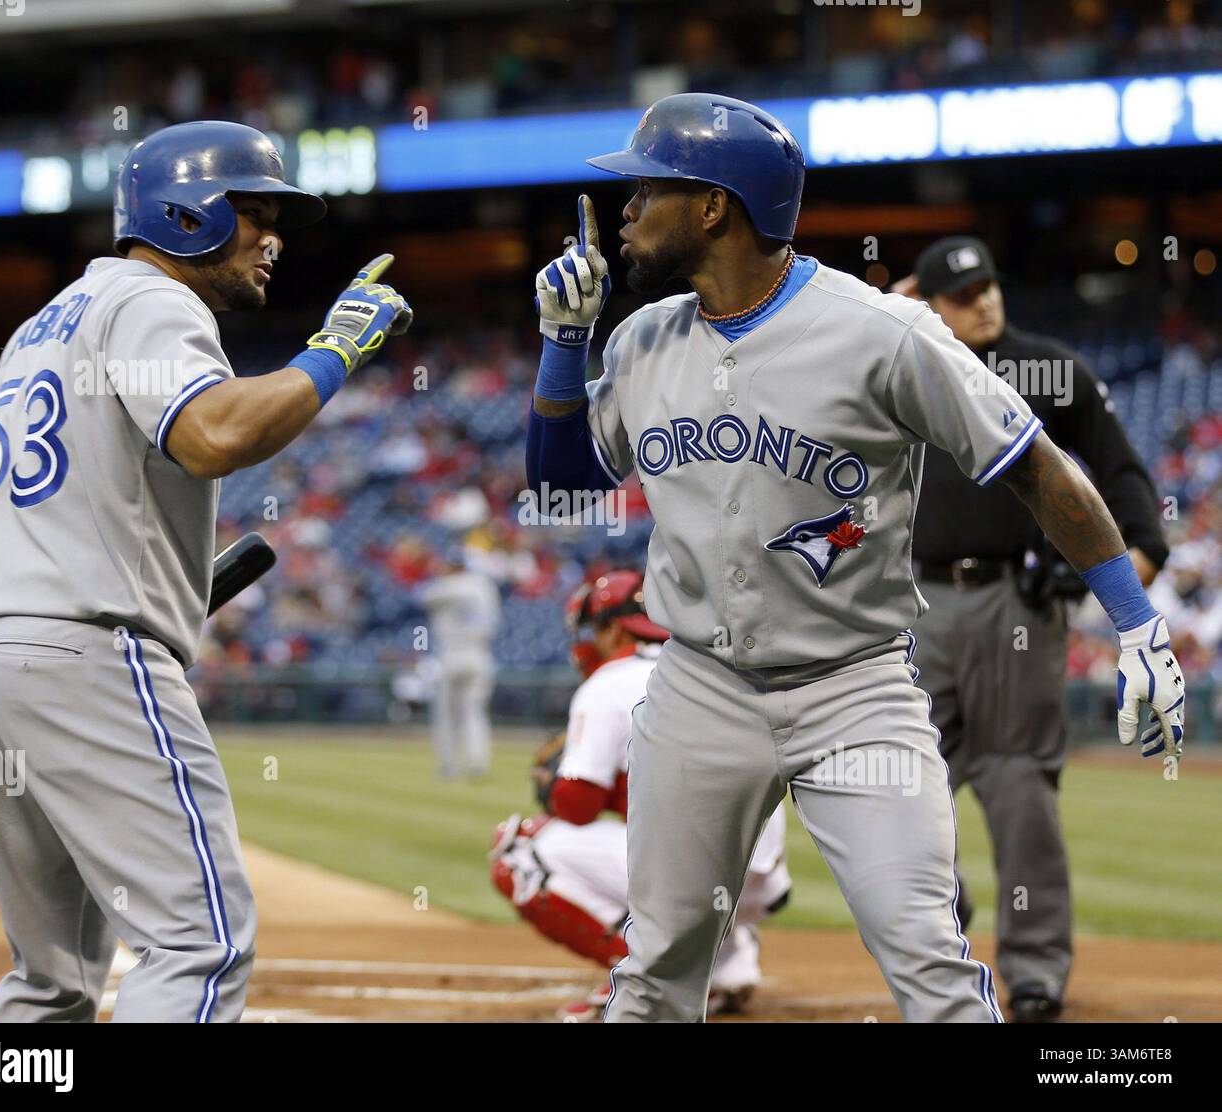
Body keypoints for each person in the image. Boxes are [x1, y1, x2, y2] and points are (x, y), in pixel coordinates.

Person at [524, 93, 1185, 1022]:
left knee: (926, 957)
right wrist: (563, 347)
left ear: (714, 206)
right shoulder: (639, 340)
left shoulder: (884, 331)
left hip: (854, 689)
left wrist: (1138, 622)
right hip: (699, 686)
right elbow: (559, 484)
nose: (623, 210)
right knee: (654, 972)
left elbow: (1037, 469)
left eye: (645, 188)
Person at [0, 121, 412, 1022]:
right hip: (87, 655)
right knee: (200, 942)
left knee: (51, 980)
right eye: (251, 213)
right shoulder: (155, 301)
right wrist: (334, 350)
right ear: (184, 213)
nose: (271, 237)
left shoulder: (45, 323)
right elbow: (213, 435)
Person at [894, 236, 1169, 1022]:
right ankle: (937, 921)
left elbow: (1122, 476)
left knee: (1020, 787)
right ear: (927, 302)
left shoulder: (1048, 370)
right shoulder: (897, 362)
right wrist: (894, 308)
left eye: (988, 285)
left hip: (1016, 604)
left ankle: (1036, 972)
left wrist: (1120, 572)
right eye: (961, 293)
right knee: (896, 782)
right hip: (910, 604)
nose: (982, 300)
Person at [489, 570, 791, 1020]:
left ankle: (650, 985)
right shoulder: (715, 665)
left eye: (595, 629)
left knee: (520, 848)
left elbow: (576, 804)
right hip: (762, 880)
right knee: (675, 826)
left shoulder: (609, 682)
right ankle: (727, 961)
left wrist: (557, 785)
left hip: (699, 877)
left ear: (613, 628)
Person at [419, 547, 502, 778]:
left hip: (451, 654)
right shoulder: (484, 586)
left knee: (445, 713)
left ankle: (448, 765)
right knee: (474, 711)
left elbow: (422, 596)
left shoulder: (444, 586)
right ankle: (478, 762)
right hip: (481, 654)